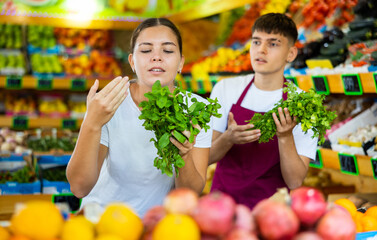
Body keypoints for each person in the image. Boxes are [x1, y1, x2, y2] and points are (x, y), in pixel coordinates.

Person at [66, 18, 212, 217]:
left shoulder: (197, 110)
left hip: (158, 226)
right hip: (105, 221)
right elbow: (79, 187)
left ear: (181, 63)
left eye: (168, 51)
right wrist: (91, 122)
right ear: (132, 62)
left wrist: (184, 155)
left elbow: (190, 193)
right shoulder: (111, 102)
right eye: (146, 50)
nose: (157, 57)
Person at [209, 13, 318, 209]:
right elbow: (204, 157)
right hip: (221, 210)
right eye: (256, 42)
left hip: (271, 214)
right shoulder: (225, 89)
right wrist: (228, 139)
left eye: (273, 44)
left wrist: (285, 137)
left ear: (291, 54)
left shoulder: (303, 105)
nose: (262, 50)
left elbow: (295, 181)